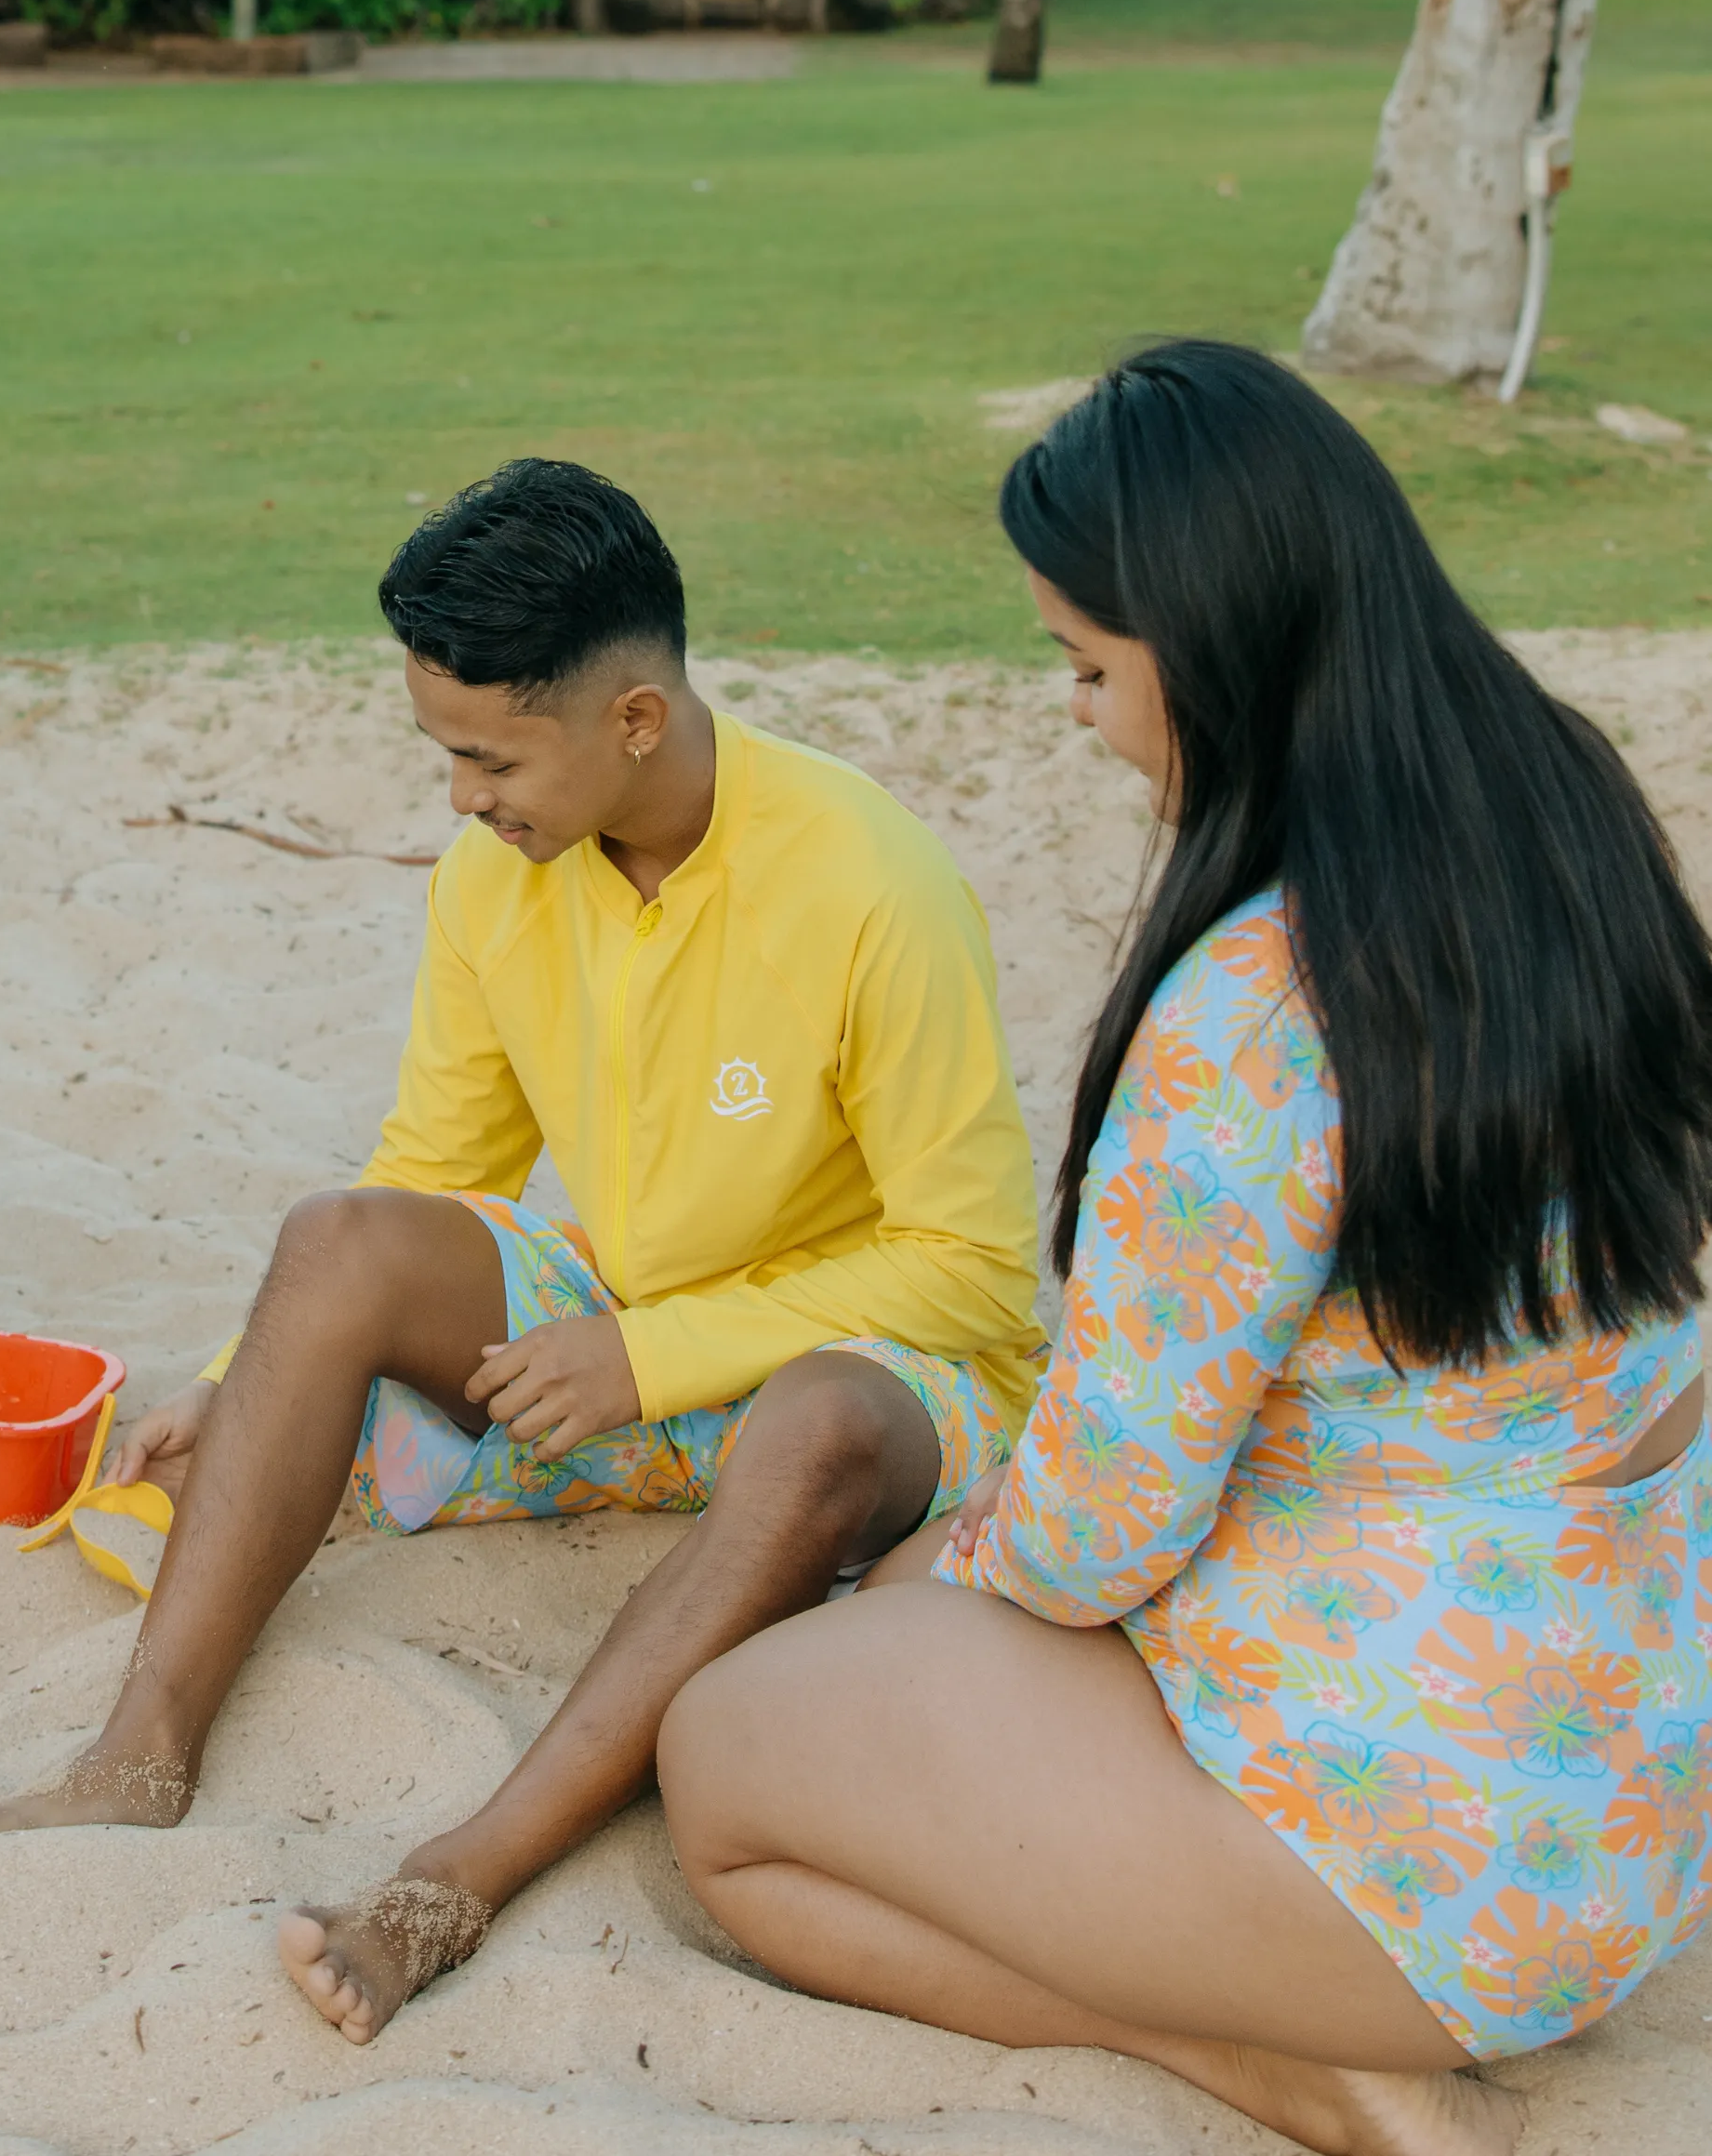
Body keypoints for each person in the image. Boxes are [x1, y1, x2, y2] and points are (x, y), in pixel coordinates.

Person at [657, 341, 1712, 2156]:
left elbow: (1102, 1531)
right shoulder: (1567, 813)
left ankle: (1284, 2070)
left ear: (1213, 642)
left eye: (1087, 662)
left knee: (724, 1772)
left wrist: (933, 1571)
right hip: (1617, 1795)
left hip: (1401, 1878)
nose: (1076, 710)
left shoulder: (1258, 1002)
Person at [0, 457, 1048, 2044]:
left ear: (632, 719)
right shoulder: (490, 878)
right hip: (626, 1333)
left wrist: (647, 1356)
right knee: (340, 1240)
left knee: (819, 1416)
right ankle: (135, 1760)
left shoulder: (874, 883)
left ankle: (456, 1878)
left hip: (885, 1390)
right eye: (444, 753)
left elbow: (974, 1269)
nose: (460, 798)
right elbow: (435, 1172)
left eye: (488, 756)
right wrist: (250, 1377)